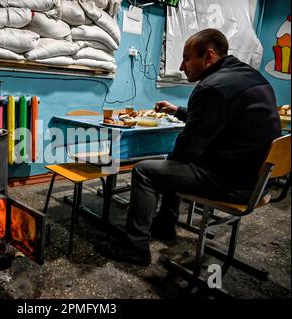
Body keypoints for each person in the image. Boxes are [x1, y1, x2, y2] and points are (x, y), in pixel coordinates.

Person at [96, 28, 282, 266]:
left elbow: (188, 149)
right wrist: (179, 111)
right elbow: (220, 118)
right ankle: (165, 226)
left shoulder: (212, 87)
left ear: (209, 56)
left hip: (235, 184)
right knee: (172, 162)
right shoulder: (249, 76)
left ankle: (135, 247)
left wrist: (170, 160)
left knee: (146, 171)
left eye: (186, 58)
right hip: (259, 180)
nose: (182, 67)